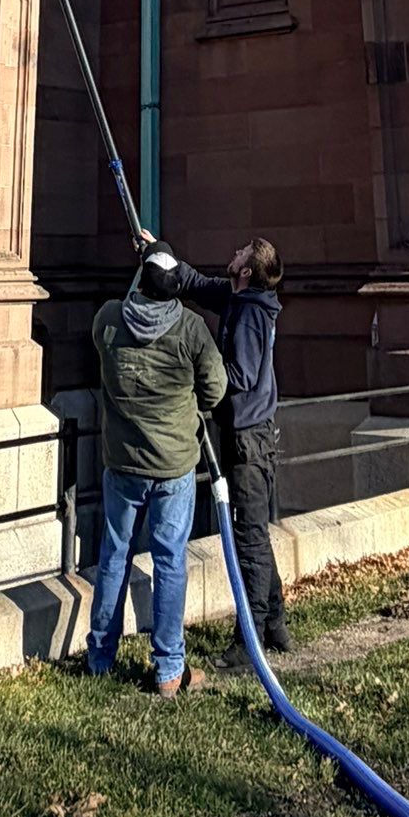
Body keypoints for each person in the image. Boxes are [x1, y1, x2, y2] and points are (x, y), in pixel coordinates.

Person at [85, 243, 227, 695]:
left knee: (114, 555)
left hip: (123, 463)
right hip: (173, 466)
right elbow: (216, 389)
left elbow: (112, 335)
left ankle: (99, 658)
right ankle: (168, 670)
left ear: (140, 280)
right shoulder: (191, 329)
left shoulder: (107, 319)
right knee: (169, 561)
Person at [154, 233, 292, 656]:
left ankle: (247, 644)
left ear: (247, 270)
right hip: (246, 434)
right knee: (255, 535)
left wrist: (199, 376)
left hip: (250, 440)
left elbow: (242, 375)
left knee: (249, 541)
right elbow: (195, 284)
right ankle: (275, 625)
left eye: (240, 254)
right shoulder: (238, 299)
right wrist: (156, 251)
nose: (232, 254)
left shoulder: (251, 313)